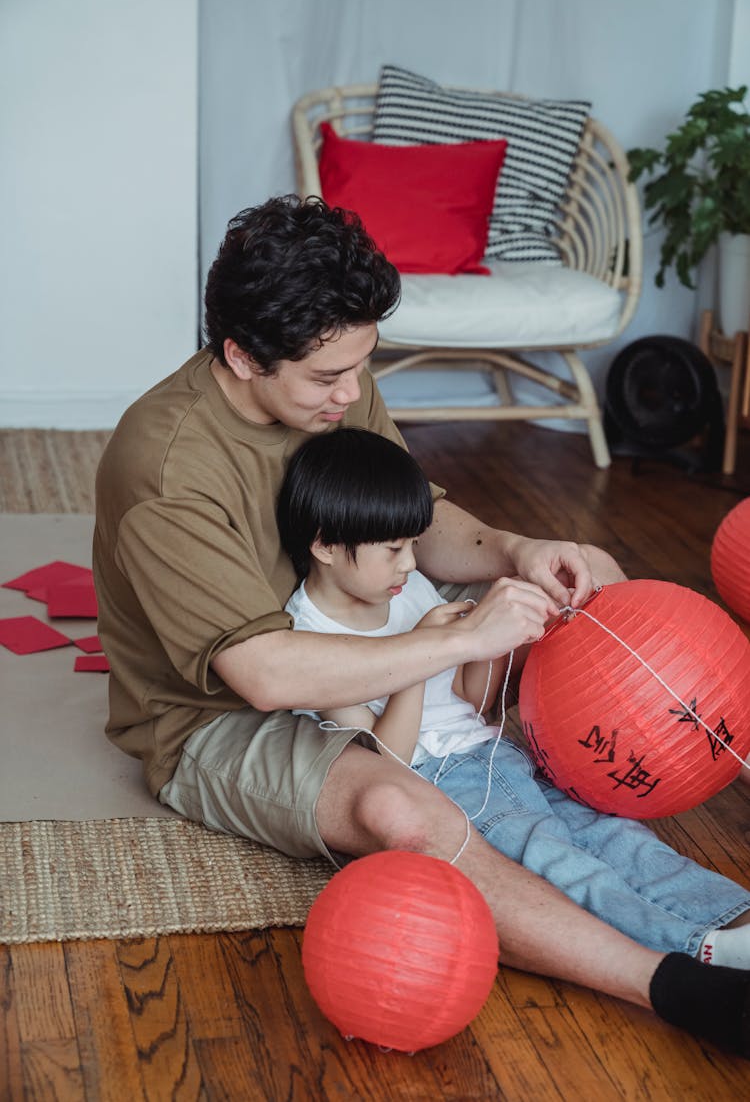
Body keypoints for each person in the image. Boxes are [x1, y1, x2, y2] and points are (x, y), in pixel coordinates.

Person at [94, 194, 750, 1057]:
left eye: (363, 365)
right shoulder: (169, 466)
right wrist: (457, 640)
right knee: (403, 809)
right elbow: (264, 676)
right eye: (329, 376)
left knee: (540, 751)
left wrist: (519, 547)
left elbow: (412, 514)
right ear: (241, 354)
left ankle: (722, 917)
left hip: (365, 639)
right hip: (217, 717)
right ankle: (668, 984)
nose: (352, 392)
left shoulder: (331, 387)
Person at [279, 425, 750, 968]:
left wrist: (498, 640)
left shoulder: (403, 588)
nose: (411, 563)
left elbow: (468, 701)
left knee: (614, 834)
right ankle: (697, 948)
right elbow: (388, 763)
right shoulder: (309, 636)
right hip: (442, 782)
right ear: (325, 545)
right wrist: (425, 649)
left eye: (412, 545)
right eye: (393, 550)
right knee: (559, 862)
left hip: (497, 754)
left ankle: (732, 916)